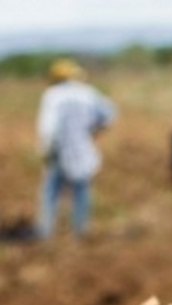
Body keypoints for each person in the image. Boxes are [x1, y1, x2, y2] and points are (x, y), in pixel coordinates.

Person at [37, 58, 116, 239]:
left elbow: (48, 128)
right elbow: (109, 114)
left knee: (51, 191)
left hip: (58, 151)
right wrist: (94, 131)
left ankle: (46, 231)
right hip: (82, 149)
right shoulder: (88, 93)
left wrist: (46, 150)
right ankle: (80, 231)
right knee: (81, 190)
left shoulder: (52, 95)